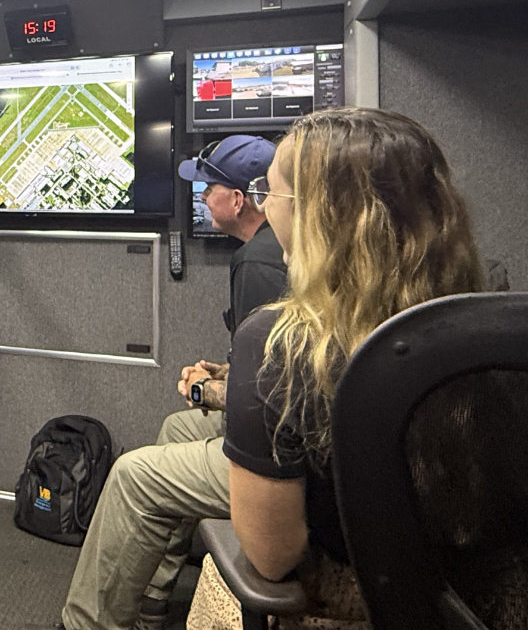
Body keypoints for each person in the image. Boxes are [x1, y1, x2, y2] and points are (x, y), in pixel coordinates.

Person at [204, 107, 484, 627]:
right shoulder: (487, 327)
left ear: (314, 215)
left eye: (271, 192)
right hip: (485, 595)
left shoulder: (277, 343)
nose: (266, 206)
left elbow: (272, 556)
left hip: (356, 598)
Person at [60, 135, 287, 630]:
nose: (201, 198)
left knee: (131, 475)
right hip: (281, 435)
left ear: (239, 199)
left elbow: (268, 399)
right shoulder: (273, 250)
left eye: (208, 189)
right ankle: (151, 597)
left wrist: (206, 390)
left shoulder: (259, 261)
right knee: (176, 429)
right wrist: (227, 370)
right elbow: (279, 363)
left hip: (276, 457)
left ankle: (86, 624)